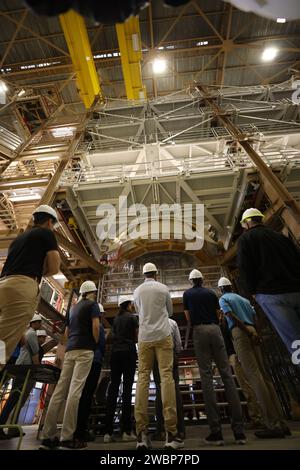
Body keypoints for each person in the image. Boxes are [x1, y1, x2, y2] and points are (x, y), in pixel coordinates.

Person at [218, 276, 290, 439]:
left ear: (221, 289)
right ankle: (281, 423)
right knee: (266, 377)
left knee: (254, 377)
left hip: (241, 332)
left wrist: (246, 331)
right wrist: (255, 333)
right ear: (231, 286)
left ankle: (271, 424)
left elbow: (230, 316)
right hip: (254, 332)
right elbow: (256, 316)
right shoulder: (243, 299)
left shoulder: (223, 299)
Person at [183, 269, 246, 446]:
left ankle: (216, 432)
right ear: (202, 280)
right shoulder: (211, 293)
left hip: (199, 330)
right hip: (215, 329)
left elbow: (188, 317)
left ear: (190, 281)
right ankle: (239, 431)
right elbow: (219, 314)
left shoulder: (187, 294)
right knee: (227, 376)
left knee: (206, 378)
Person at [39, 280, 100, 450]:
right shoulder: (93, 305)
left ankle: (48, 437)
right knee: (75, 392)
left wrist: (69, 346)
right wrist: (94, 343)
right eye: (94, 292)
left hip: (70, 349)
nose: (95, 294)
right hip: (85, 349)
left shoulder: (72, 308)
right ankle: (67, 437)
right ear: (91, 292)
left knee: (59, 391)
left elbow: (66, 333)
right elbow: (96, 326)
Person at [237, 207, 300, 360]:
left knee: (294, 339)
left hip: (271, 295)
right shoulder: (280, 237)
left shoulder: (245, 239)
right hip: (296, 290)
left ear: (246, 223)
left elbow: (245, 268)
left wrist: (252, 291)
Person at [0, 205, 60, 364]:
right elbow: (54, 267)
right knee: (2, 344)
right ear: (49, 222)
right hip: (22, 287)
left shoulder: (18, 239)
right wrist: (41, 272)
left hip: (3, 284)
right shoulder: (47, 233)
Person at [133, 262, 183, 450]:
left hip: (144, 338)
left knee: (143, 379)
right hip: (163, 335)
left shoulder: (137, 291)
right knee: (166, 378)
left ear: (143, 274)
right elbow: (169, 312)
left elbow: (138, 312)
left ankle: (141, 434)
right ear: (156, 273)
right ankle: (171, 433)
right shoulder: (163, 288)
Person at [218, 310, 264, 430]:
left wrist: (235, 354)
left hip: (235, 354)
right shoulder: (225, 323)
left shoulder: (227, 323)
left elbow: (232, 338)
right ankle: (257, 416)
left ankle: (256, 417)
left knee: (246, 386)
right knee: (249, 384)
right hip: (235, 353)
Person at [0, 314, 42, 440]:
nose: (40, 325)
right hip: (22, 368)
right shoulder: (31, 334)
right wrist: (38, 371)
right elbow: (34, 354)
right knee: (14, 397)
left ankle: (8, 427)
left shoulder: (24, 331)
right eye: (38, 322)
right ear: (33, 323)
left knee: (14, 397)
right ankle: (2, 425)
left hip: (15, 365)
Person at [103, 296, 138, 444]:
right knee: (127, 391)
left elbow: (111, 336)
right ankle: (126, 431)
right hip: (128, 353)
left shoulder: (116, 319)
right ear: (128, 305)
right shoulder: (132, 318)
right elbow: (136, 337)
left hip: (115, 354)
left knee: (113, 390)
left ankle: (107, 432)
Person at [74, 304, 106, 447]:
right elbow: (102, 345)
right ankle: (81, 431)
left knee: (80, 394)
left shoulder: (82, 326)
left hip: (80, 361)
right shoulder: (98, 327)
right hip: (94, 361)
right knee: (87, 396)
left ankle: (76, 428)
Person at [153, 317, 185, 440]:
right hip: (171, 358)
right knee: (175, 391)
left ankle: (161, 430)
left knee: (160, 391)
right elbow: (178, 345)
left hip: (157, 359)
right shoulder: (172, 322)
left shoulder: (152, 322)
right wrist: (175, 356)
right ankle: (180, 430)